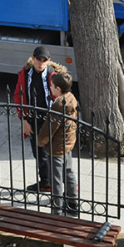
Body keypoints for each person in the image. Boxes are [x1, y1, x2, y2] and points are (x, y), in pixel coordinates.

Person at [13, 46, 67, 193]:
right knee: (39, 153)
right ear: (33, 58)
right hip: (33, 119)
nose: (41, 63)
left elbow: (62, 99)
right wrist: (24, 120)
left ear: (48, 61)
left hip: (51, 120)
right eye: (38, 59)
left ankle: (62, 185)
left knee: (54, 154)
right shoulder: (25, 74)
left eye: (44, 60)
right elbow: (19, 96)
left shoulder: (54, 76)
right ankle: (45, 182)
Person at [37, 71, 79, 216]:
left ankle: (57, 210)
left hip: (57, 147)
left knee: (56, 179)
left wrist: (40, 142)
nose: (50, 88)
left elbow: (49, 129)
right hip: (68, 144)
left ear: (58, 89)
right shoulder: (71, 98)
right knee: (69, 172)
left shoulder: (58, 105)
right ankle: (73, 202)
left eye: (52, 86)